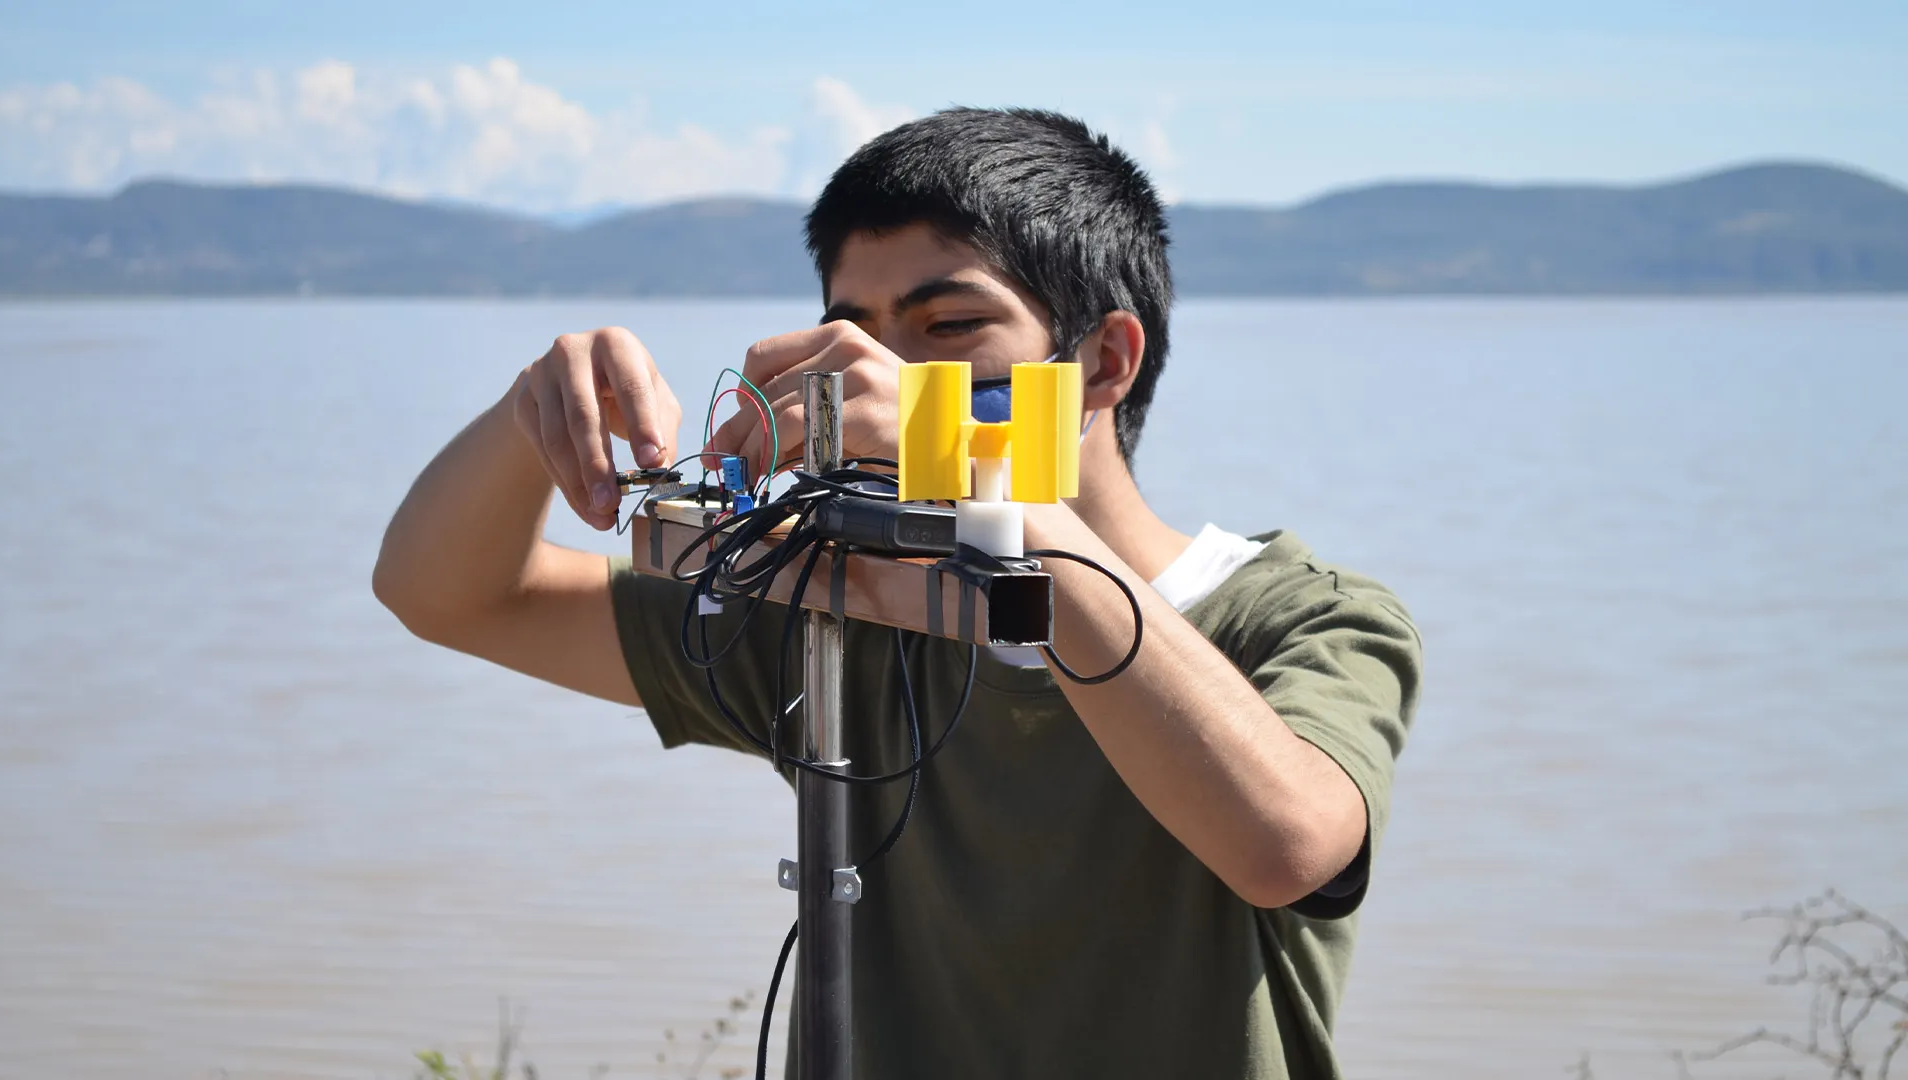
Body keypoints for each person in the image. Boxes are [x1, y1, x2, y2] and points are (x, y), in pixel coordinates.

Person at [374, 107, 1421, 1079]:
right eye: (855, 333)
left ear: (1104, 362)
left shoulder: (1301, 614)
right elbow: (451, 594)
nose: (877, 374)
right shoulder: (847, 597)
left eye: (949, 327)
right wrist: (532, 425)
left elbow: (1286, 849)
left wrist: (982, 485)